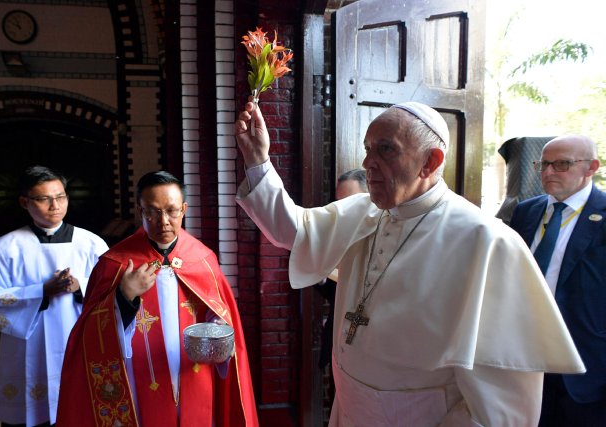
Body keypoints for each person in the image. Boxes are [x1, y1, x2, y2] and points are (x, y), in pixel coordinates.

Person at [235, 100, 585, 426]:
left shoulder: (487, 242)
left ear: (430, 162)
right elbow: (292, 230)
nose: (369, 162)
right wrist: (257, 161)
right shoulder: (363, 211)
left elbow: (506, 402)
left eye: (385, 149)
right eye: (368, 148)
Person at [57, 171, 258, 427]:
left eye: (172, 211)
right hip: (139, 378)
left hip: (195, 373)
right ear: (140, 211)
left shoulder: (203, 259)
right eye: (152, 212)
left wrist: (218, 326)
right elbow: (87, 336)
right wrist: (124, 296)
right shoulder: (115, 264)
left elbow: (221, 314)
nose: (164, 221)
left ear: (184, 209)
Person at [0, 165, 108, 427]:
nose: (54, 205)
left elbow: (112, 289)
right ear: (25, 201)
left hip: (78, 338)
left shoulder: (91, 243)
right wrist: (41, 291)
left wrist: (80, 286)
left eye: (61, 196)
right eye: (44, 198)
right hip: (29, 346)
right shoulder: (6, 247)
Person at [509, 135, 606, 426]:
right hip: (526, 357)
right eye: (544, 164)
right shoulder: (527, 211)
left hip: (586, 365)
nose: (548, 172)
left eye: (561, 164)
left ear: (592, 167)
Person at [316, 169, 368, 371]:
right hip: (339, 336)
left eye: (351, 201)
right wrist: (320, 274)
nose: (344, 210)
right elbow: (332, 293)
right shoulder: (336, 234)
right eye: (340, 203)